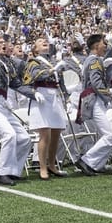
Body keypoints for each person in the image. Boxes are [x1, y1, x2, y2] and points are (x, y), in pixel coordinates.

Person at [0, 23, 32, 185]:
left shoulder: (7, 63)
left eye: (5, 43)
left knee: (24, 138)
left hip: (4, 104)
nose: (4, 45)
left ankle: (13, 171)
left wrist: (34, 93)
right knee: (9, 135)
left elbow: (16, 84)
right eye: (0, 43)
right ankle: (3, 173)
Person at [23, 36, 67, 179]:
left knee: (56, 132)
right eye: (40, 42)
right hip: (41, 95)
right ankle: (42, 167)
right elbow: (36, 75)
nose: (44, 42)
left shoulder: (52, 61)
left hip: (54, 95)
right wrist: (54, 69)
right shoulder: (33, 61)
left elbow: (60, 81)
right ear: (35, 49)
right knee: (44, 133)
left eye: (45, 41)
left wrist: (66, 97)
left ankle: (52, 165)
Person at [75, 33, 112, 176]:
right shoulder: (94, 61)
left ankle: (96, 164)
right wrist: (108, 95)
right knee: (110, 135)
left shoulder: (95, 60)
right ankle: (87, 161)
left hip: (95, 98)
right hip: (95, 99)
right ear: (96, 45)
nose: (105, 45)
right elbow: (96, 82)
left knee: (107, 134)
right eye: (103, 42)